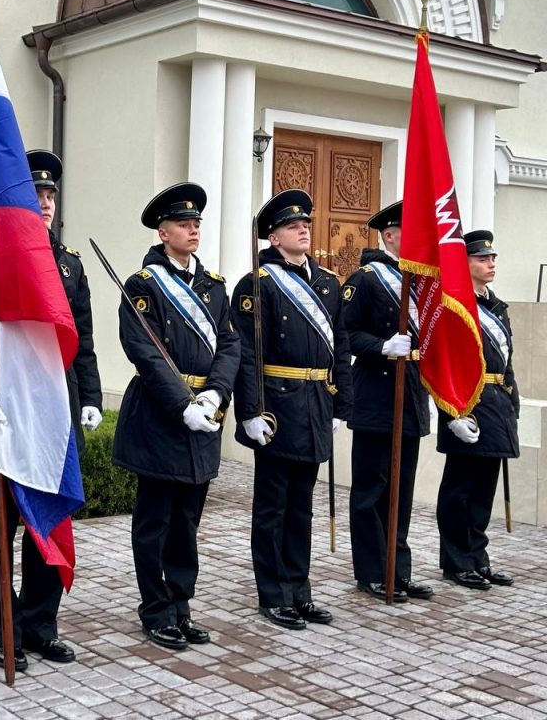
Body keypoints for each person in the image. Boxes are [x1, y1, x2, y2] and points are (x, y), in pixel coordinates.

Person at [0, 150, 102, 670]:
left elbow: (82, 344)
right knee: (4, 529)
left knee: (50, 519)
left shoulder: (69, 265)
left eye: (50, 194)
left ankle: (40, 625)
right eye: (34, 194)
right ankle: (3, 628)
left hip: (55, 420)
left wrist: (90, 400)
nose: (43, 203)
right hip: (8, 419)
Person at [112, 183, 240, 650]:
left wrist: (213, 397)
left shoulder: (214, 286)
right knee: (156, 521)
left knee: (188, 521)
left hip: (203, 413)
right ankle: (155, 608)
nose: (193, 230)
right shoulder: (143, 285)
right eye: (185, 224)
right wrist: (182, 405)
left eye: (197, 224)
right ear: (163, 232)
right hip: (160, 414)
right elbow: (144, 352)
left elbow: (230, 345)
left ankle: (181, 605)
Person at [232, 189, 353, 630]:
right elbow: (246, 353)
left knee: (302, 505)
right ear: (273, 237)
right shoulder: (256, 284)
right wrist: (248, 411)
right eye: (291, 226)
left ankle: (299, 590)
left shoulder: (327, 283)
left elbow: (340, 347)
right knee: (273, 506)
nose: (303, 230)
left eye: (305, 224)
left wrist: (344, 403)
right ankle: (273, 594)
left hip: (316, 403)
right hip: (276, 406)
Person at [343, 201, 434, 602]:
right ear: (390, 234)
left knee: (402, 487)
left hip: (410, 392)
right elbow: (344, 334)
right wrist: (381, 346)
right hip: (376, 395)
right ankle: (371, 571)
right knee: (371, 488)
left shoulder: (420, 278)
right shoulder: (365, 278)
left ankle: (399, 569)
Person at [436, 230, 519, 590]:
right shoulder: (454, 305)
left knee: (484, 488)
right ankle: (456, 561)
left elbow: (507, 360)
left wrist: (513, 403)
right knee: (460, 489)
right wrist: (452, 415)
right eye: (482, 259)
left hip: (496, 402)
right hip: (467, 403)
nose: (491, 263)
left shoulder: (496, 305)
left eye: (492, 258)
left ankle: (477, 558)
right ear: (464, 264)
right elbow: (444, 365)